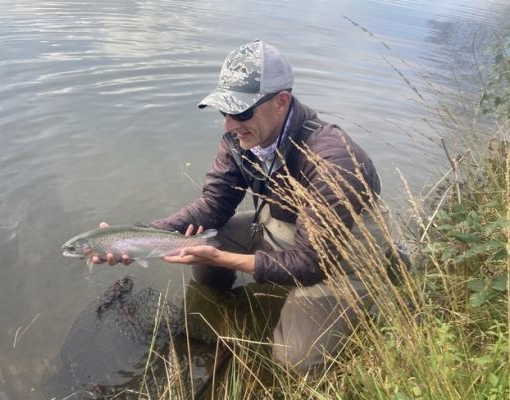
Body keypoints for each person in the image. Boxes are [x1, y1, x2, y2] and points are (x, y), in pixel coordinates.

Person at [94, 40, 383, 373]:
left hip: (343, 256)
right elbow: (213, 205)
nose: (229, 125)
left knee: (295, 360)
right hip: (282, 229)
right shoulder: (241, 138)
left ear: (281, 102)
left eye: (241, 112)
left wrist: (221, 257)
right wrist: (137, 236)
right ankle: (227, 311)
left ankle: (362, 300)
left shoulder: (332, 159)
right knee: (207, 238)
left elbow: (311, 265)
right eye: (224, 111)